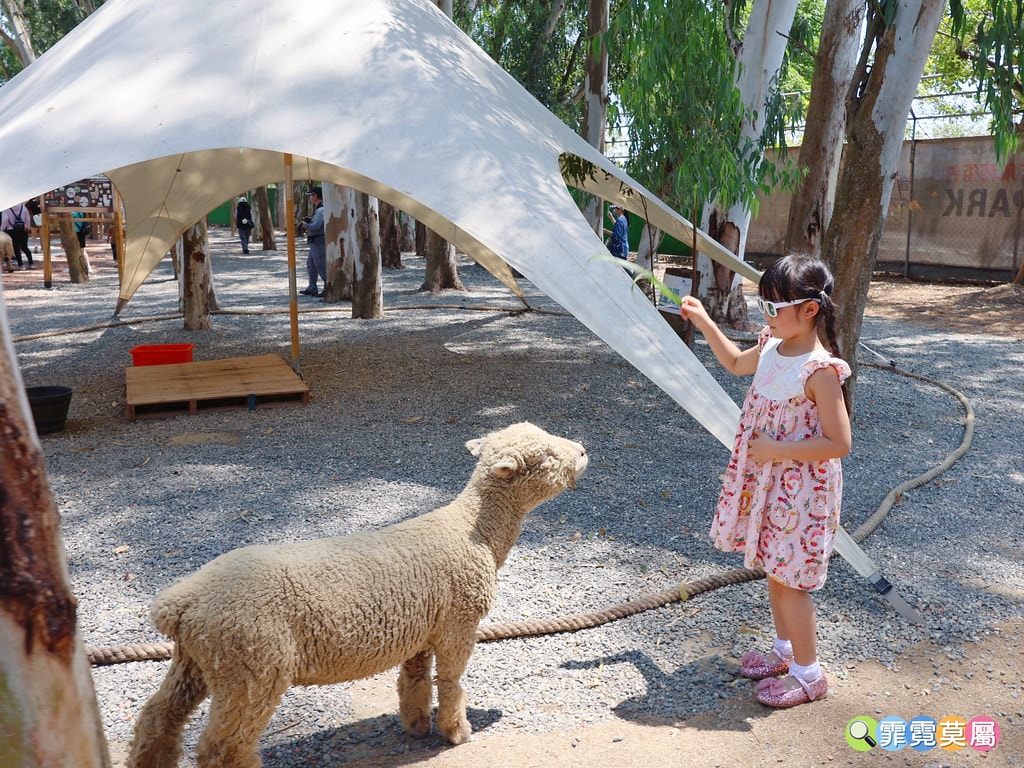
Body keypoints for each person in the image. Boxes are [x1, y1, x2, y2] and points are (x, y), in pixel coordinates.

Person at [678, 254, 851, 709]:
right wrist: (704, 320)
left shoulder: (820, 371)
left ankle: (809, 675)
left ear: (810, 309)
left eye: (775, 307)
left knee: (790, 582)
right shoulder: (771, 347)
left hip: (804, 493)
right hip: (771, 487)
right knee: (776, 573)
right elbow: (736, 363)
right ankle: (785, 653)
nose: (766, 315)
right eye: (763, 305)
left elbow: (839, 442)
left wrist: (775, 450)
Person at [300, 186, 326, 296]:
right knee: (311, 264)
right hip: (314, 241)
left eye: (311, 195)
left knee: (320, 264)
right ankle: (312, 287)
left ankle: (328, 286)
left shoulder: (321, 210)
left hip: (319, 240)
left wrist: (306, 225)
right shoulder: (318, 210)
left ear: (315, 196)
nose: (310, 197)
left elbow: (316, 226)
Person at [2, 202, 34, 268]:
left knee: (16, 248)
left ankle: (20, 264)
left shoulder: (7, 209)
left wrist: (1, 229)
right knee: (25, 247)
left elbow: (5, 219)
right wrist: (28, 227)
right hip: (23, 229)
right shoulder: (23, 207)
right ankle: (31, 263)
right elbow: (27, 218)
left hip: (11, 230)